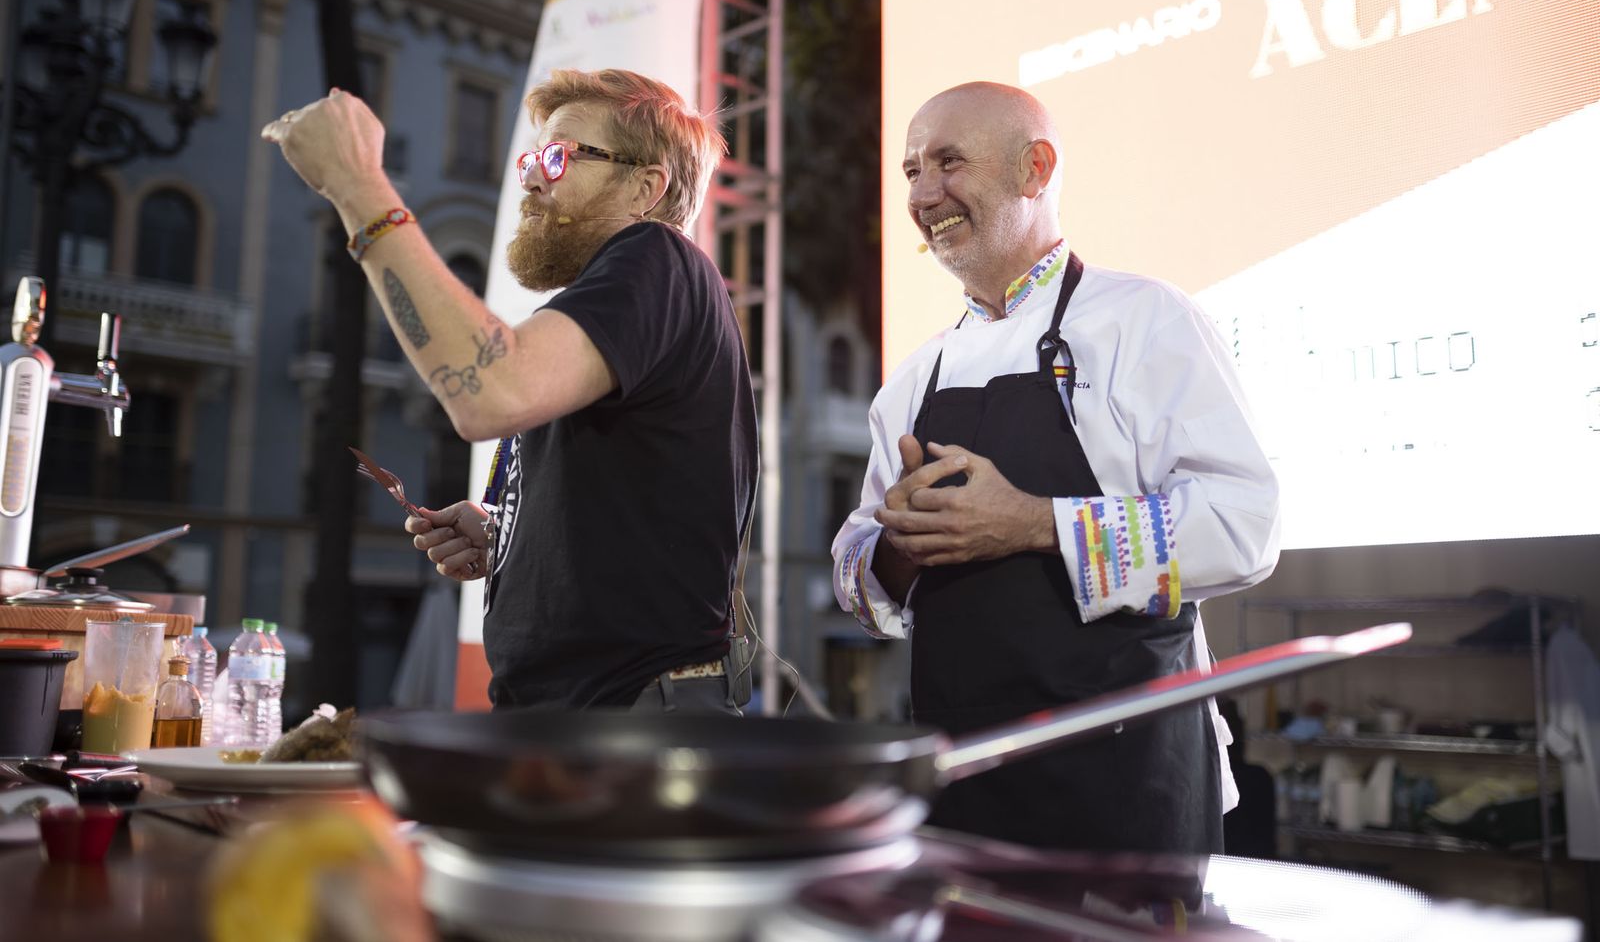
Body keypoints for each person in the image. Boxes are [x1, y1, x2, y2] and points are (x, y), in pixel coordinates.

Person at [831, 82, 1281, 853]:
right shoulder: (913, 380)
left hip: (1126, 779)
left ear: (1034, 168)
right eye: (910, 171)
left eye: (948, 162)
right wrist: (904, 540)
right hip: (964, 779)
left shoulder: (1145, 319)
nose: (922, 192)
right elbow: (856, 574)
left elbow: (1245, 529)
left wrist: (1034, 523)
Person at [264, 68, 756, 713]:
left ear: (645, 186)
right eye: (532, 157)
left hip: (629, 734)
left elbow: (489, 394)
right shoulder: (620, 300)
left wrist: (359, 185)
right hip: (580, 723)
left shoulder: (657, 258)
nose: (529, 176)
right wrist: (512, 536)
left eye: (559, 156)